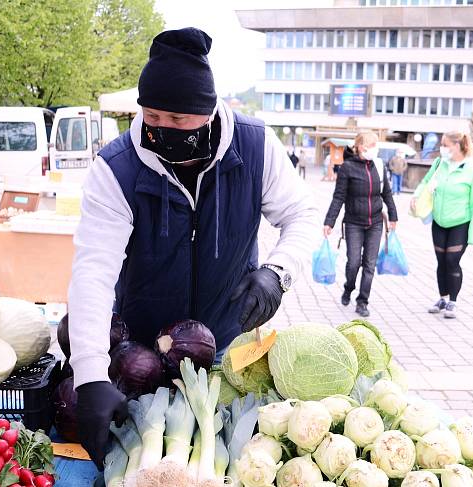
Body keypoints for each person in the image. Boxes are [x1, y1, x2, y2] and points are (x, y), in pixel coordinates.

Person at [67, 27, 318, 468]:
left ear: (207, 112)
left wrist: (278, 272)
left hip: (229, 348)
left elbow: (302, 216)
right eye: (152, 117)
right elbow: (93, 271)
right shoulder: (117, 169)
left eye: (178, 121)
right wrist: (89, 374)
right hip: (143, 351)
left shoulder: (255, 147)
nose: (162, 130)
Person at [410, 131, 473, 319]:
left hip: (460, 223)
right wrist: (416, 195)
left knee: (452, 261)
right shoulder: (439, 163)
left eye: (446, 145)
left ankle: (453, 301)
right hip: (439, 221)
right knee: (441, 261)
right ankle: (442, 298)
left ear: (459, 146)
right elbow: (426, 181)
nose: (442, 148)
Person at [323, 131, 397, 318]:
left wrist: (393, 216)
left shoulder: (378, 166)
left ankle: (362, 301)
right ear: (362, 148)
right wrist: (329, 222)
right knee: (354, 262)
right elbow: (338, 196)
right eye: (373, 146)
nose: (376, 150)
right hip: (354, 223)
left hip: (376, 223)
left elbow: (386, 193)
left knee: (369, 265)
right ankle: (348, 288)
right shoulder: (347, 167)